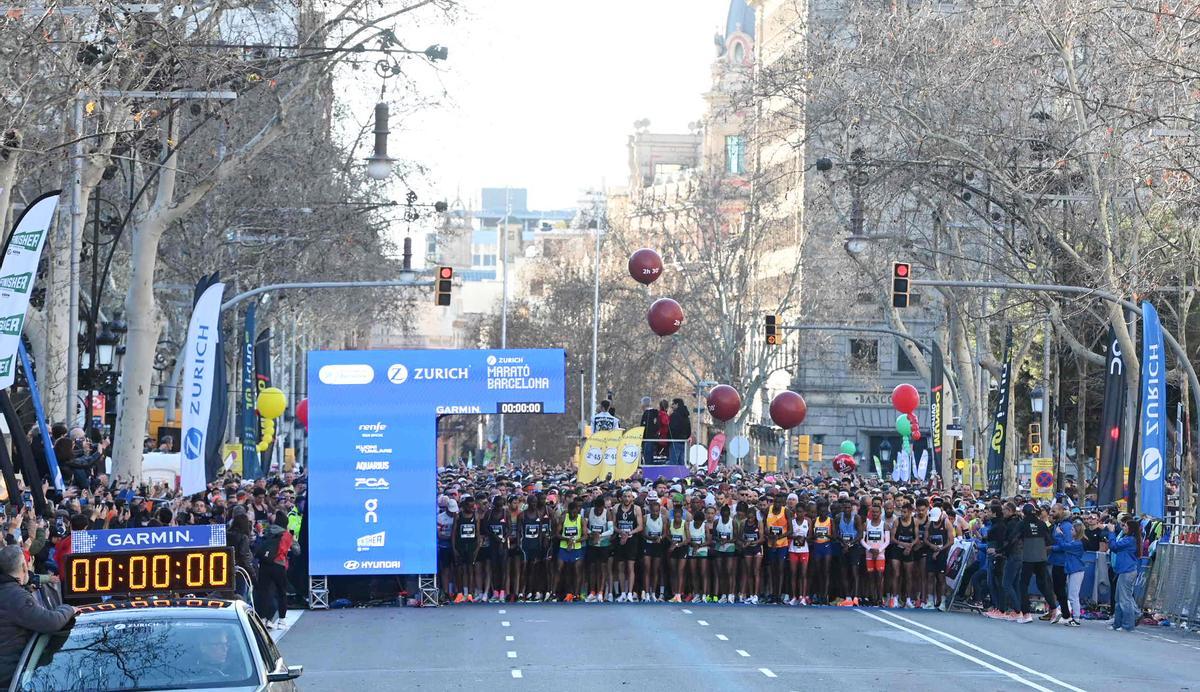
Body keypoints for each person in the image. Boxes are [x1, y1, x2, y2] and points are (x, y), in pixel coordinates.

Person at [0, 545, 78, 688]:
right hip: (9, 680)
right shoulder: (16, 597)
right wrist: (68, 608)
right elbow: (52, 622)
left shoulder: (9, 592)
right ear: (24, 566)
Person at [254, 511, 298, 628]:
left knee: (264, 592)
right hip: (279, 565)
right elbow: (296, 551)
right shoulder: (286, 535)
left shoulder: (267, 531)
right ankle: (281, 620)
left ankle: (263, 618)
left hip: (264, 565)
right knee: (281, 592)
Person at [1016, 503, 1059, 624]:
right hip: (1041, 557)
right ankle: (1054, 609)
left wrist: (1002, 551)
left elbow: (1014, 538)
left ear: (1024, 513)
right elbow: (1049, 540)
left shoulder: (1022, 524)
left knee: (1023, 585)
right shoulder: (1042, 524)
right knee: (1043, 584)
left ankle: (1026, 614)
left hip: (1028, 557)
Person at [1107, 516, 1142, 632]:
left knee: (1124, 599)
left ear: (1131, 528)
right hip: (1123, 570)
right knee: (1119, 598)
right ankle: (1118, 623)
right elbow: (1116, 549)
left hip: (1127, 571)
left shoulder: (1130, 540)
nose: (1124, 528)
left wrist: (1111, 533)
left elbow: (1114, 546)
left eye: (1125, 526)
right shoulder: (1129, 538)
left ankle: (1127, 625)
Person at [612, 489, 644, 602]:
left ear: (632, 498)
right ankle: (623, 593)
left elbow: (640, 526)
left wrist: (629, 533)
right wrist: (620, 532)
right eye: (625, 496)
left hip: (632, 540)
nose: (626, 499)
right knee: (620, 567)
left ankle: (630, 592)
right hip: (620, 540)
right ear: (621, 498)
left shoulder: (636, 509)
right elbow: (613, 525)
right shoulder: (616, 508)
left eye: (629, 496)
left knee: (630, 567)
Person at [556, 498, 585, 602]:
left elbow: (585, 536)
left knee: (576, 571)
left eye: (576, 512)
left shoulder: (581, 519)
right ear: (569, 511)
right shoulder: (564, 518)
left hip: (576, 548)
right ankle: (565, 593)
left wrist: (575, 540)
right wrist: (567, 539)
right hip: (564, 547)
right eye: (572, 512)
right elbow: (557, 534)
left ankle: (576, 594)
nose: (574, 514)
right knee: (562, 569)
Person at [640, 495, 666, 602]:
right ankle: (645, 593)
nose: (655, 513)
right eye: (653, 511)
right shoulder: (645, 518)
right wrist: (650, 537)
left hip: (658, 545)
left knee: (655, 570)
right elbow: (642, 533)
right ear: (650, 510)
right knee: (647, 569)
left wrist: (660, 538)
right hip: (648, 544)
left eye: (657, 511)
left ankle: (653, 593)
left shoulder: (663, 518)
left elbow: (665, 533)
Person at [667, 399, 690, 466]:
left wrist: (669, 439)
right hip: (683, 442)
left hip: (675, 441)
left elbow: (672, 429)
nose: (672, 406)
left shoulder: (674, 415)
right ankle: (682, 476)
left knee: (673, 463)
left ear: (677, 404)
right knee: (682, 463)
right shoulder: (686, 416)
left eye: (673, 404)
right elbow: (689, 430)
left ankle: (673, 476)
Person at [639, 397, 661, 464]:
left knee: (648, 458)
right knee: (650, 457)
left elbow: (644, 427)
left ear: (643, 404)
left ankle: (649, 472)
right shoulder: (656, 413)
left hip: (648, 439)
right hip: (654, 438)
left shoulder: (647, 414)